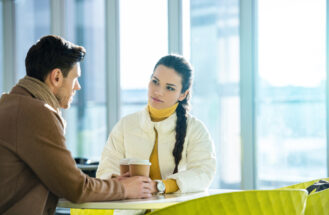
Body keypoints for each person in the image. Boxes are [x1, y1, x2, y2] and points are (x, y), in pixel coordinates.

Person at [0, 35, 152, 215]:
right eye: (75, 78)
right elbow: (75, 188)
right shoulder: (37, 113)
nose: (77, 87)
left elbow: (60, 183)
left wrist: (114, 184)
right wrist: (125, 189)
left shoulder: (11, 104)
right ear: (56, 77)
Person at [97, 54, 216, 195]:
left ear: (183, 94)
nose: (158, 92)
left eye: (170, 88)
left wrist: (161, 186)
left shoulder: (195, 129)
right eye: (155, 81)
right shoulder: (125, 125)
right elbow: (105, 171)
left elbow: (203, 173)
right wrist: (123, 183)